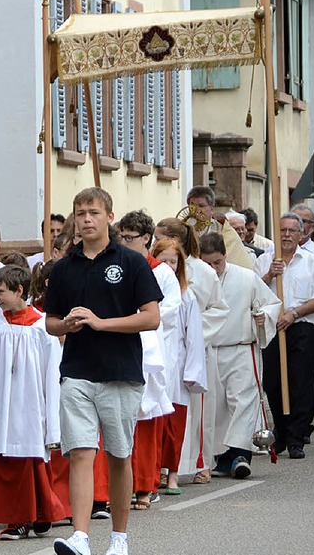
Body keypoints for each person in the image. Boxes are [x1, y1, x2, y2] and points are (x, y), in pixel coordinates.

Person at [44, 187, 162, 555]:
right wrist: (68, 326)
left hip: (120, 372)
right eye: (80, 213)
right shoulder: (64, 267)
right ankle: (80, 536)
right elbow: (49, 321)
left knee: (118, 455)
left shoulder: (131, 262)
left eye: (93, 212)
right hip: (77, 371)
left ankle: (119, 537)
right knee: (79, 451)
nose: (86, 219)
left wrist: (100, 322)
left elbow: (151, 317)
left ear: (109, 216)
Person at [0, 264, 65, 539]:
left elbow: (52, 372)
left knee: (34, 463)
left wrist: (51, 417)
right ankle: (23, 518)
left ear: (20, 291)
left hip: (33, 407)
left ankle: (35, 515)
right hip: (4, 407)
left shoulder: (43, 326)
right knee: (9, 462)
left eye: (0, 292)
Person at [153, 217, 229, 484]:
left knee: (194, 414)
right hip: (158, 350)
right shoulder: (149, 272)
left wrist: (192, 333)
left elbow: (219, 309)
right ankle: (160, 469)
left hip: (188, 351)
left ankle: (198, 462)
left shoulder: (202, 272)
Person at [199, 233, 281, 478]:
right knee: (215, 407)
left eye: (217, 262)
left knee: (243, 402)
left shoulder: (246, 277)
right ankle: (220, 457)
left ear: (225, 255)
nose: (213, 268)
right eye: (207, 263)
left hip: (241, 348)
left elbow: (271, 303)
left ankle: (239, 455)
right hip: (209, 351)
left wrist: (263, 317)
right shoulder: (195, 279)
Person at [254, 213, 314, 459]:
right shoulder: (263, 260)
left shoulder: (311, 262)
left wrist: (294, 314)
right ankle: (282, 430)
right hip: (272, 325)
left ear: (301, 234)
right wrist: (268, 275)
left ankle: (297, 436)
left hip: (302, 327)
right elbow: (251, 292)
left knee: (300, 381)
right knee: (273, 382)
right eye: (282, 230)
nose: (287, 235)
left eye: (292, 231)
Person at [116, 210, 180, 509]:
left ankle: (145, 484)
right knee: (119, 420)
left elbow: (168, 309)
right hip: (117, 344)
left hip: (149, 348)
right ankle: (122, 484)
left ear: (146, 238)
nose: (124, 242)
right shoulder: (114, 265)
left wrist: (135, 317)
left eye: (130, 238)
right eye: (121, 236)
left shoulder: (161, 272)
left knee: (147, 420)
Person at [151, 238, 207, 493]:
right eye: (164, 261)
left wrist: (192, 372)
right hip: (154, 362)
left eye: (174, 262)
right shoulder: (146, 292)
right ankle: (155, 472)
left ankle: (172, 473)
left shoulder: (186, 296)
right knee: (153, 422)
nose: (169, 267)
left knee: (174, 424)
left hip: (177, 363)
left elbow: (194, 336)